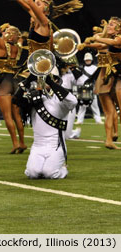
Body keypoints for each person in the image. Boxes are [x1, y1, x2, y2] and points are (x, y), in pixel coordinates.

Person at [13, 68, 77, 179]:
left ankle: (63, 169)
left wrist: (51, 83)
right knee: (32, 174)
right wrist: (28, 80)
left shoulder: (61, 99)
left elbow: (73, 101)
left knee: (50, 173)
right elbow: (15, 100)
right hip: (38, 146)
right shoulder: (34, 97)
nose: (42, 81)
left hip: (55, 146)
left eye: (47, 78)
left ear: (56, 80)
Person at [79, 17, 121, 149]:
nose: (109, 26)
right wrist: (86, 45)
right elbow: (102, 45)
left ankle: (114, 133)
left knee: (114, 110)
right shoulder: (108, 39)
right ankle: (109, 140)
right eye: (109, 24)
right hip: (108, 76)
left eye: (112, 24)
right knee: (109, 111)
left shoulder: (118, 38)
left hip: (115, 76)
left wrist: (95, 38)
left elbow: (112, 42)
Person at [0, 22, 26, 154]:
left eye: (7, 33)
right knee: (17, 115)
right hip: (15, 80)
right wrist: (12, 30)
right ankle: (22, 142)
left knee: (7, 115)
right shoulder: (18, 47)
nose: (4, 34)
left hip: (4, 82)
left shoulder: (4, 46)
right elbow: (19, 37)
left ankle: (15, 144)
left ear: (10, 37)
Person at [75, 52, 103, 124]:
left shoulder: (95, 68)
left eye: (89, 60)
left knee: (95, 105)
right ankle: (79, 120)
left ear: (91, 60)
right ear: (84, 60)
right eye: (87, 60)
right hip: (84, 88)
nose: (88, 61)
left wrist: (96, 88)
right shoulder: (81, 68)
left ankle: (98, 120)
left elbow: (97, 79)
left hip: (92, 87)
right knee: (82, 105)